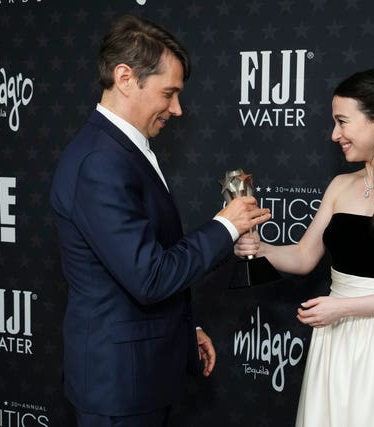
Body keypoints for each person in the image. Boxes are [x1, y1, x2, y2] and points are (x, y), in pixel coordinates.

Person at [50, 14, 270, 427]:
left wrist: (185, 331)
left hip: (142, 375)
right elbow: (149, 277)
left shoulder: (125, 150)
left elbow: (151, 257)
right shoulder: (101, 162)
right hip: (118, 389)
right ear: (125, 77)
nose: (178, 109)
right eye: (169, 93)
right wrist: (226, 225)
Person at [235, 69, 374, 426]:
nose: (335, 135)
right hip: (336, 334)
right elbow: (304, 257)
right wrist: (263, 247)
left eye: (342, 122)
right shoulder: (339, 185)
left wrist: (344, 308)